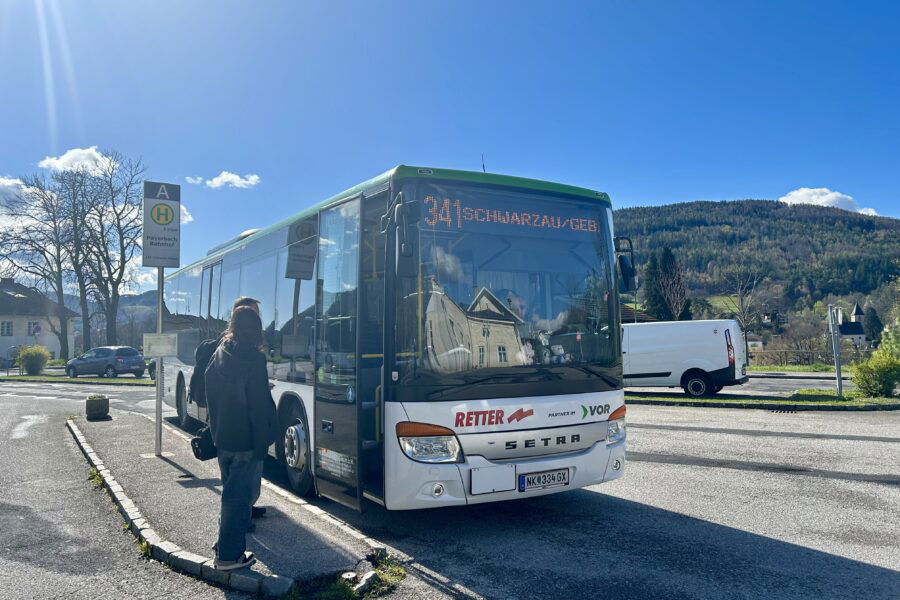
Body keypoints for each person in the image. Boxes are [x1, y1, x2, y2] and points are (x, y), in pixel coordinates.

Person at [204, 306, 278, 571]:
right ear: (256, 329)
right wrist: (262, 444)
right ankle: (229, 557)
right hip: (246, 439)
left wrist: (215, 425)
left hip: (223, 435)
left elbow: (210, 386)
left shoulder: (221, 352)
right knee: (239, 497)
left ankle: (223, 544)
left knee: (230, 492)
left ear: (233, 326)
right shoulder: (254, 359)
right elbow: (257, 406)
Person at [190, 296, 269, 520]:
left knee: (233, 488)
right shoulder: (238, 352)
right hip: (240, 432)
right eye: (252, 315)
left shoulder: (226, 349)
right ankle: (236, 526)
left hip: (224, 430)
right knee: (236, 492)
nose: (256, 320)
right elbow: (251, 401)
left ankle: (242, 516)